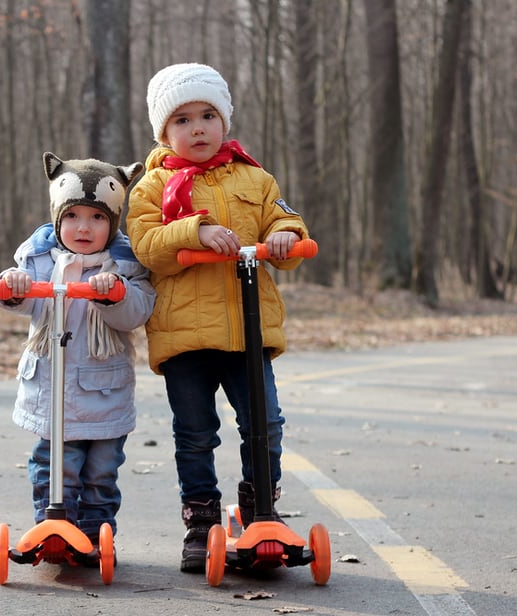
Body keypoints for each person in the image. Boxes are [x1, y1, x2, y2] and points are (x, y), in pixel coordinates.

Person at [125, 63, 310, 573]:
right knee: (196, 429)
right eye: (183, 120)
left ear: (224, 121)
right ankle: (201, 520)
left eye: (208, 115)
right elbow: (146, 245)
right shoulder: (153, 188)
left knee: (265, 423)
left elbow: (286, 223)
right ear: (164, 131)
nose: (198, 127)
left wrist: (286, 237)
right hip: (185, 334)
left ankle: (260, 511)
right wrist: (195, 231)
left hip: (248, 332)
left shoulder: (255, 176)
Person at [0, 152, 155, 552]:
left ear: (113, 222)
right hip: (52, 395)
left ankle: (95, 536)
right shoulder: (40, 260)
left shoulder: (126, 266)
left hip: (104, 396)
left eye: (98, 218)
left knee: (101, 474)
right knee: (52, 469)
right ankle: (50, 531)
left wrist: (114, 295)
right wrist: (12, 285)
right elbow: (24, 297)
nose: (84, 227)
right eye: (73, 216)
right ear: (57, 218)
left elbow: (137, 312)